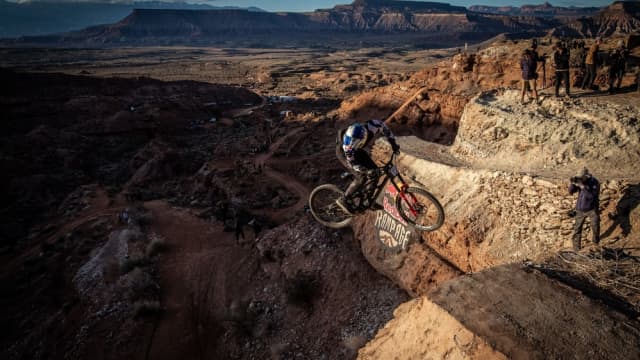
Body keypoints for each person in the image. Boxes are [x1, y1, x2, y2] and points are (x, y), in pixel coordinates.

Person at [335, 119, 399, 214]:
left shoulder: (371, 126)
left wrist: (393, 143)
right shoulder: (348, 146)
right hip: (345, 154)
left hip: (358, 151)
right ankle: (343, 199)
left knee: (376, 172)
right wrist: (365, 171)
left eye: (358, 143)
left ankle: (368, 200)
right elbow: (353, 164)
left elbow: (384, 127)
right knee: (361, 177)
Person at [569, 168, 600, 251]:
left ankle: (595, 244)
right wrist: (573, 184)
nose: (580, 179)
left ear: (586, 176)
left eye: (581, 177)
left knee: (595, 227)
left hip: (592, 209)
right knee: (577, 229)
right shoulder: (580, 181)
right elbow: (570, 192)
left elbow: (591, 196)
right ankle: (576, 249)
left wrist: (583, 187)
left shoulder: (594, 182)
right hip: (580, 209)